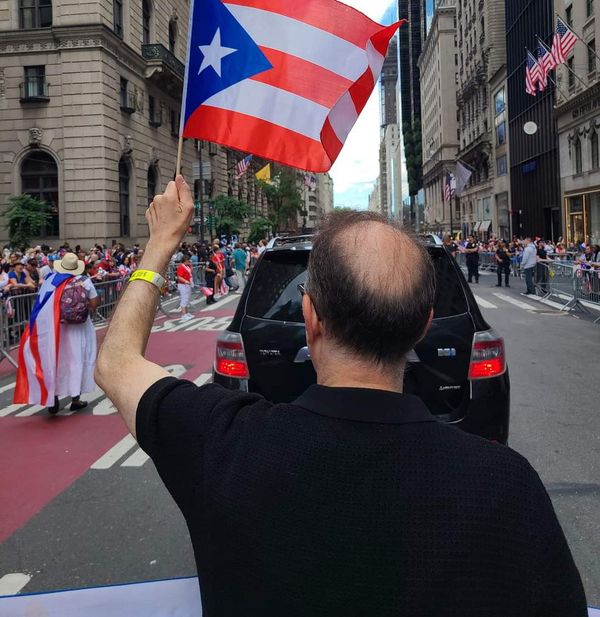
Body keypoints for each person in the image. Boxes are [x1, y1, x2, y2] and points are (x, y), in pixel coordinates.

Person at [94, 177, 587, 617]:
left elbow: (115, 363)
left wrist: (160, 244)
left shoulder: (221, 444)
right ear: (422, 324)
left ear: (310, 318)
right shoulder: (508, 487)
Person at [49, 252, 99, 414]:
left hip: (58, 327)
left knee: (57, 359)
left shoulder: (52, 281)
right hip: (80, 327)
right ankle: (75, 398)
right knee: (78, 359)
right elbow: (94, 304)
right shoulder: (84, 281)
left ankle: (53, 395)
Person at [176, 254, 194, 321]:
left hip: (188, 284)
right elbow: (179, 276)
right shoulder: (181, 267)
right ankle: (183, 314)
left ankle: (186, 312)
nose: (188, 262)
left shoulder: (187, 266)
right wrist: (186, 281)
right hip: (183, 285)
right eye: (187, 260)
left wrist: (191, 265)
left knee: (187, 299)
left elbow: (191, 272)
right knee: (184, 299)